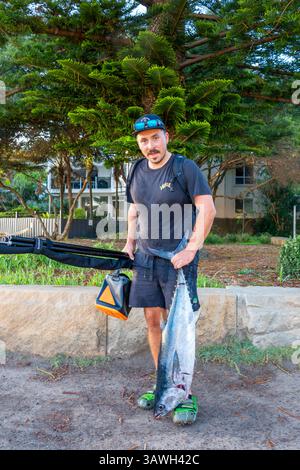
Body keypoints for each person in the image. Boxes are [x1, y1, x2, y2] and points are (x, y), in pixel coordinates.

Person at [122, 114, 216, 424]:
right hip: (146, 258)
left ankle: (185, 393)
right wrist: (129, 245)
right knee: (152, 320)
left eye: (154, 138)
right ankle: (163, 385)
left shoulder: (184, 168)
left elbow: (207, 208)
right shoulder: (135, 170)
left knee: (179, 327)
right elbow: (135, 211)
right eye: (143, 140)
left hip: (179, 261)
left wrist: (192, 249)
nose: (150, 145)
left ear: (166, 137)